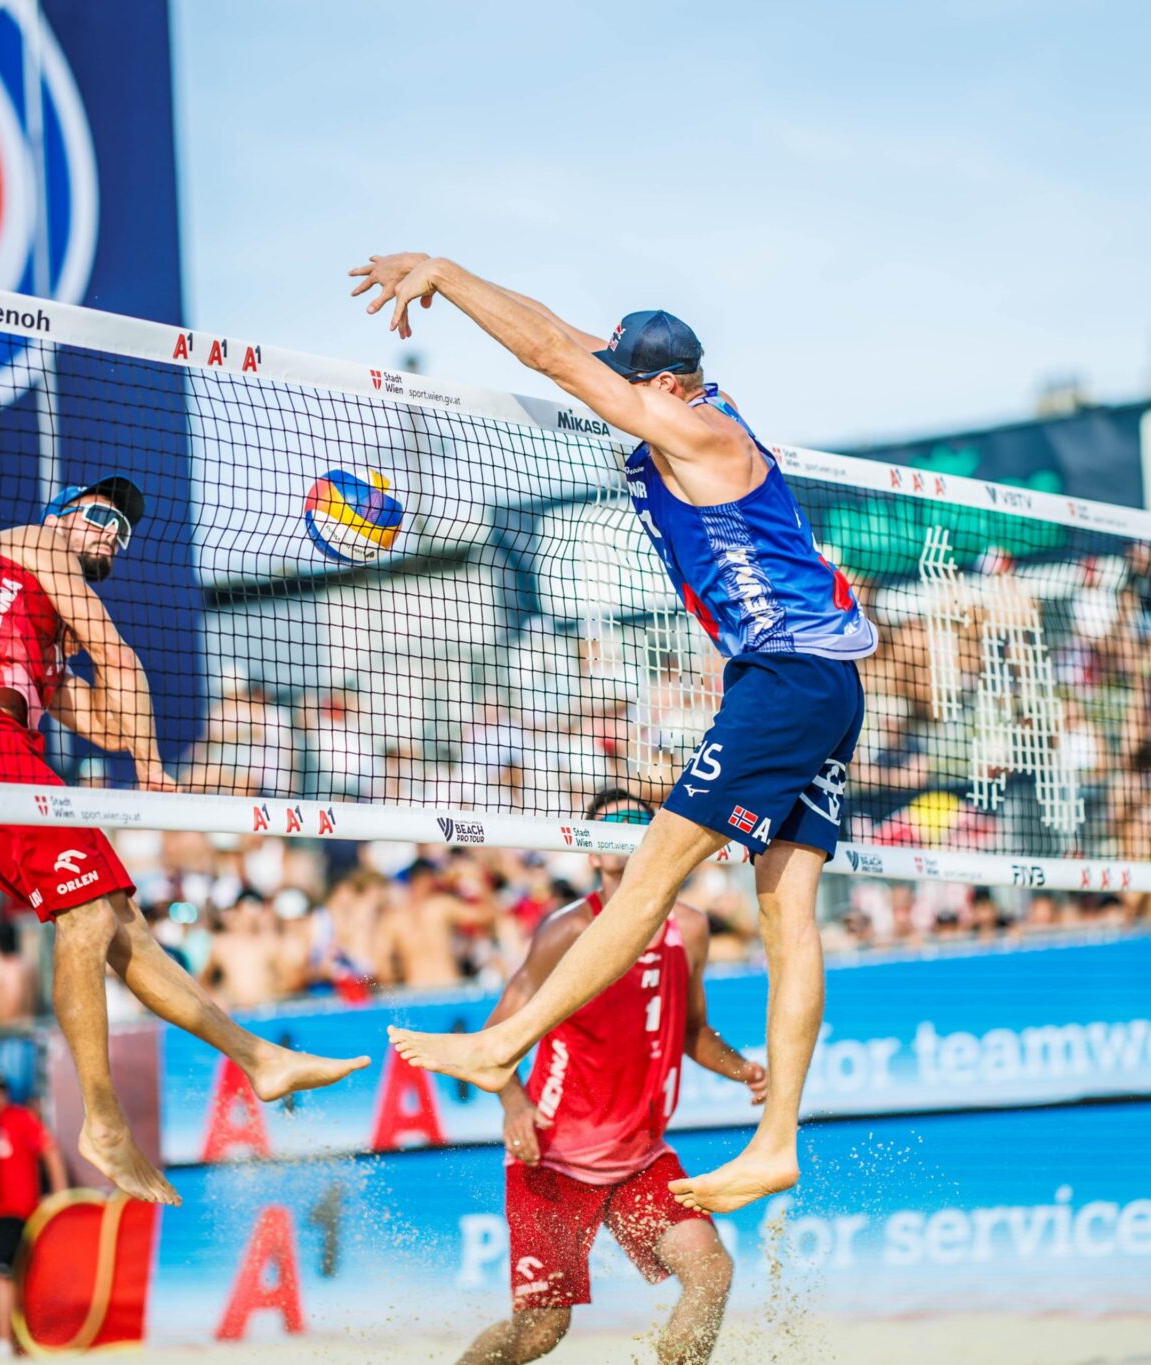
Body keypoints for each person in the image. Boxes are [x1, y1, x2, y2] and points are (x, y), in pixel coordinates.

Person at [353, 253, 874, 1213]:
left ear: (665, 386)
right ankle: (776, 1143)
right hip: (823, 682)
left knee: (647, 882)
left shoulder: (694, 427)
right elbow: (562, 334)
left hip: (786, 680)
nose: (620, 395)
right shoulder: (691, 394)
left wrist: (444, 272)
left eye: (632, 384)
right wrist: (448, 277)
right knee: (786, 915)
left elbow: (553, 356)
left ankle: (504, 1042)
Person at [0, 476, 365, 1204]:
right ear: (60, 515)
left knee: (120, 923)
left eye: (122, 530)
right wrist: (155, 772)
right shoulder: (33, 543)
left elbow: (107, 724)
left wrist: (98, 688)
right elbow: (117, 653)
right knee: (87, 915)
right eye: (100, 515)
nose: (112, 532)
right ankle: (102, 1119)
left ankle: (258, 1058)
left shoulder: (40, 643)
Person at [458, 792, 758, 1365]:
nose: (627, 829)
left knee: (711, 1272)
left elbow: (692, 1029)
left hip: (639, 1159)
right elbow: (493, 1037)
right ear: (593, 853)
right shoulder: (568, 930)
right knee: (541, 1330)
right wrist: (514, 1105)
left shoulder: (689, 928)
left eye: (637, 821)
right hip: (553, 1156)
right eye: (613, 823)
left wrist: (742, 1069)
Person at [0, 1074, 68, 1358]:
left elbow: (50, 1151)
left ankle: (3, 1340)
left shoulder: (19, 1118)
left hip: (11, 1211)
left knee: (2, 1275)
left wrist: (59, 1194)